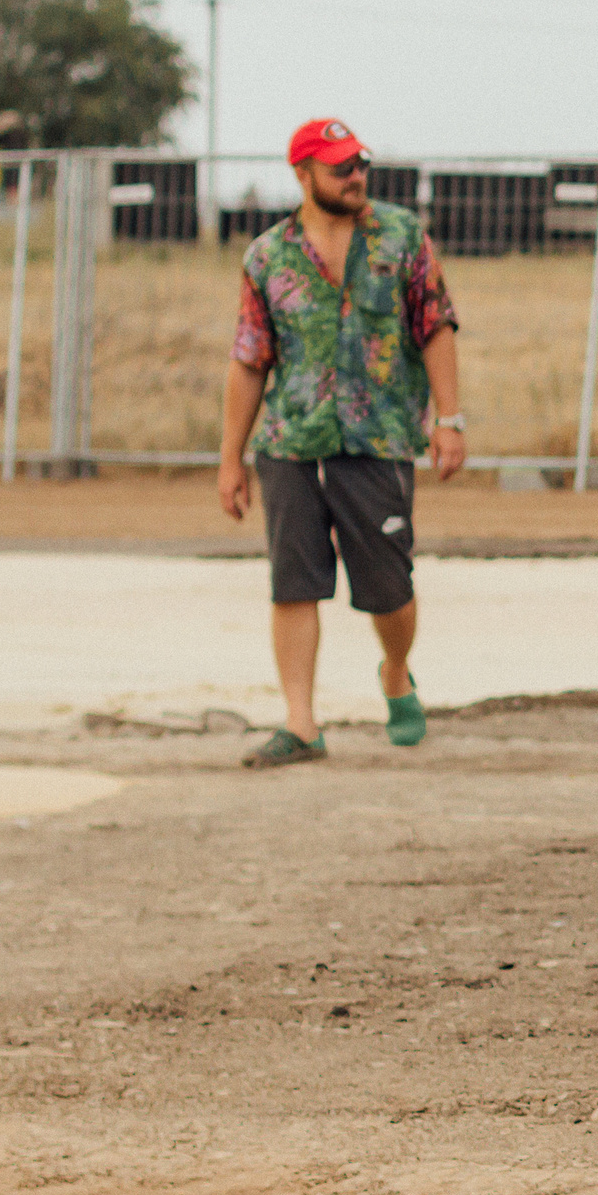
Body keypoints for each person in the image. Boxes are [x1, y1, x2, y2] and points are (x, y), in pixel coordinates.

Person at [217, 117, 464, 768]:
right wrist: (230, 458)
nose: (355, 176)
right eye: (339, 167)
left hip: (377, 437)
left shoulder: (401, 237)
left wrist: (450, 417)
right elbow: (249, 359)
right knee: (293, 582)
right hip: (291, 439)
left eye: (359, 164)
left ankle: (395, 668)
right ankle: (301, 723)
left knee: (388, 584)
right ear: (302, 174)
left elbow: (435, 324)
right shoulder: (267, 257)